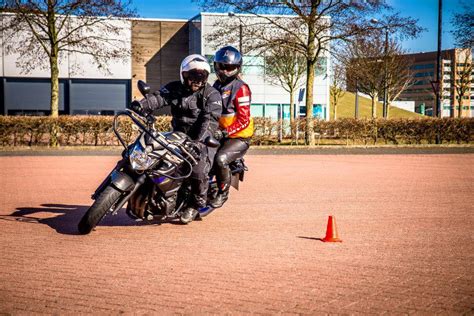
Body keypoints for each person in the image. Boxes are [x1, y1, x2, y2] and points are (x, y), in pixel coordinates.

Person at [130, 54, 222, 224]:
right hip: (178, 135)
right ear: (183, 74)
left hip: (202, 140)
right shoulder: (174, 88)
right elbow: (158, 98)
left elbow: (210, 121)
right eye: (192, 76)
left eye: (201, 77)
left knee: (198, 169)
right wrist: (141, 105)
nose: (197, 81)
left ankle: (195, 205)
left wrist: (199, 142)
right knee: (150, 151)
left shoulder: (212, 94)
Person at [210, 46, 253, 208]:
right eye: (222, 66)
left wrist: (225, 132)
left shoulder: (240, 88)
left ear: (237, 68)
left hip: (238, 137)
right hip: (219, 133)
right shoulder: (216, 86)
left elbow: (244, 120)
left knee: (220, 159)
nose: (225, 71)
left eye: (230, 68)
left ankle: (223, 193)